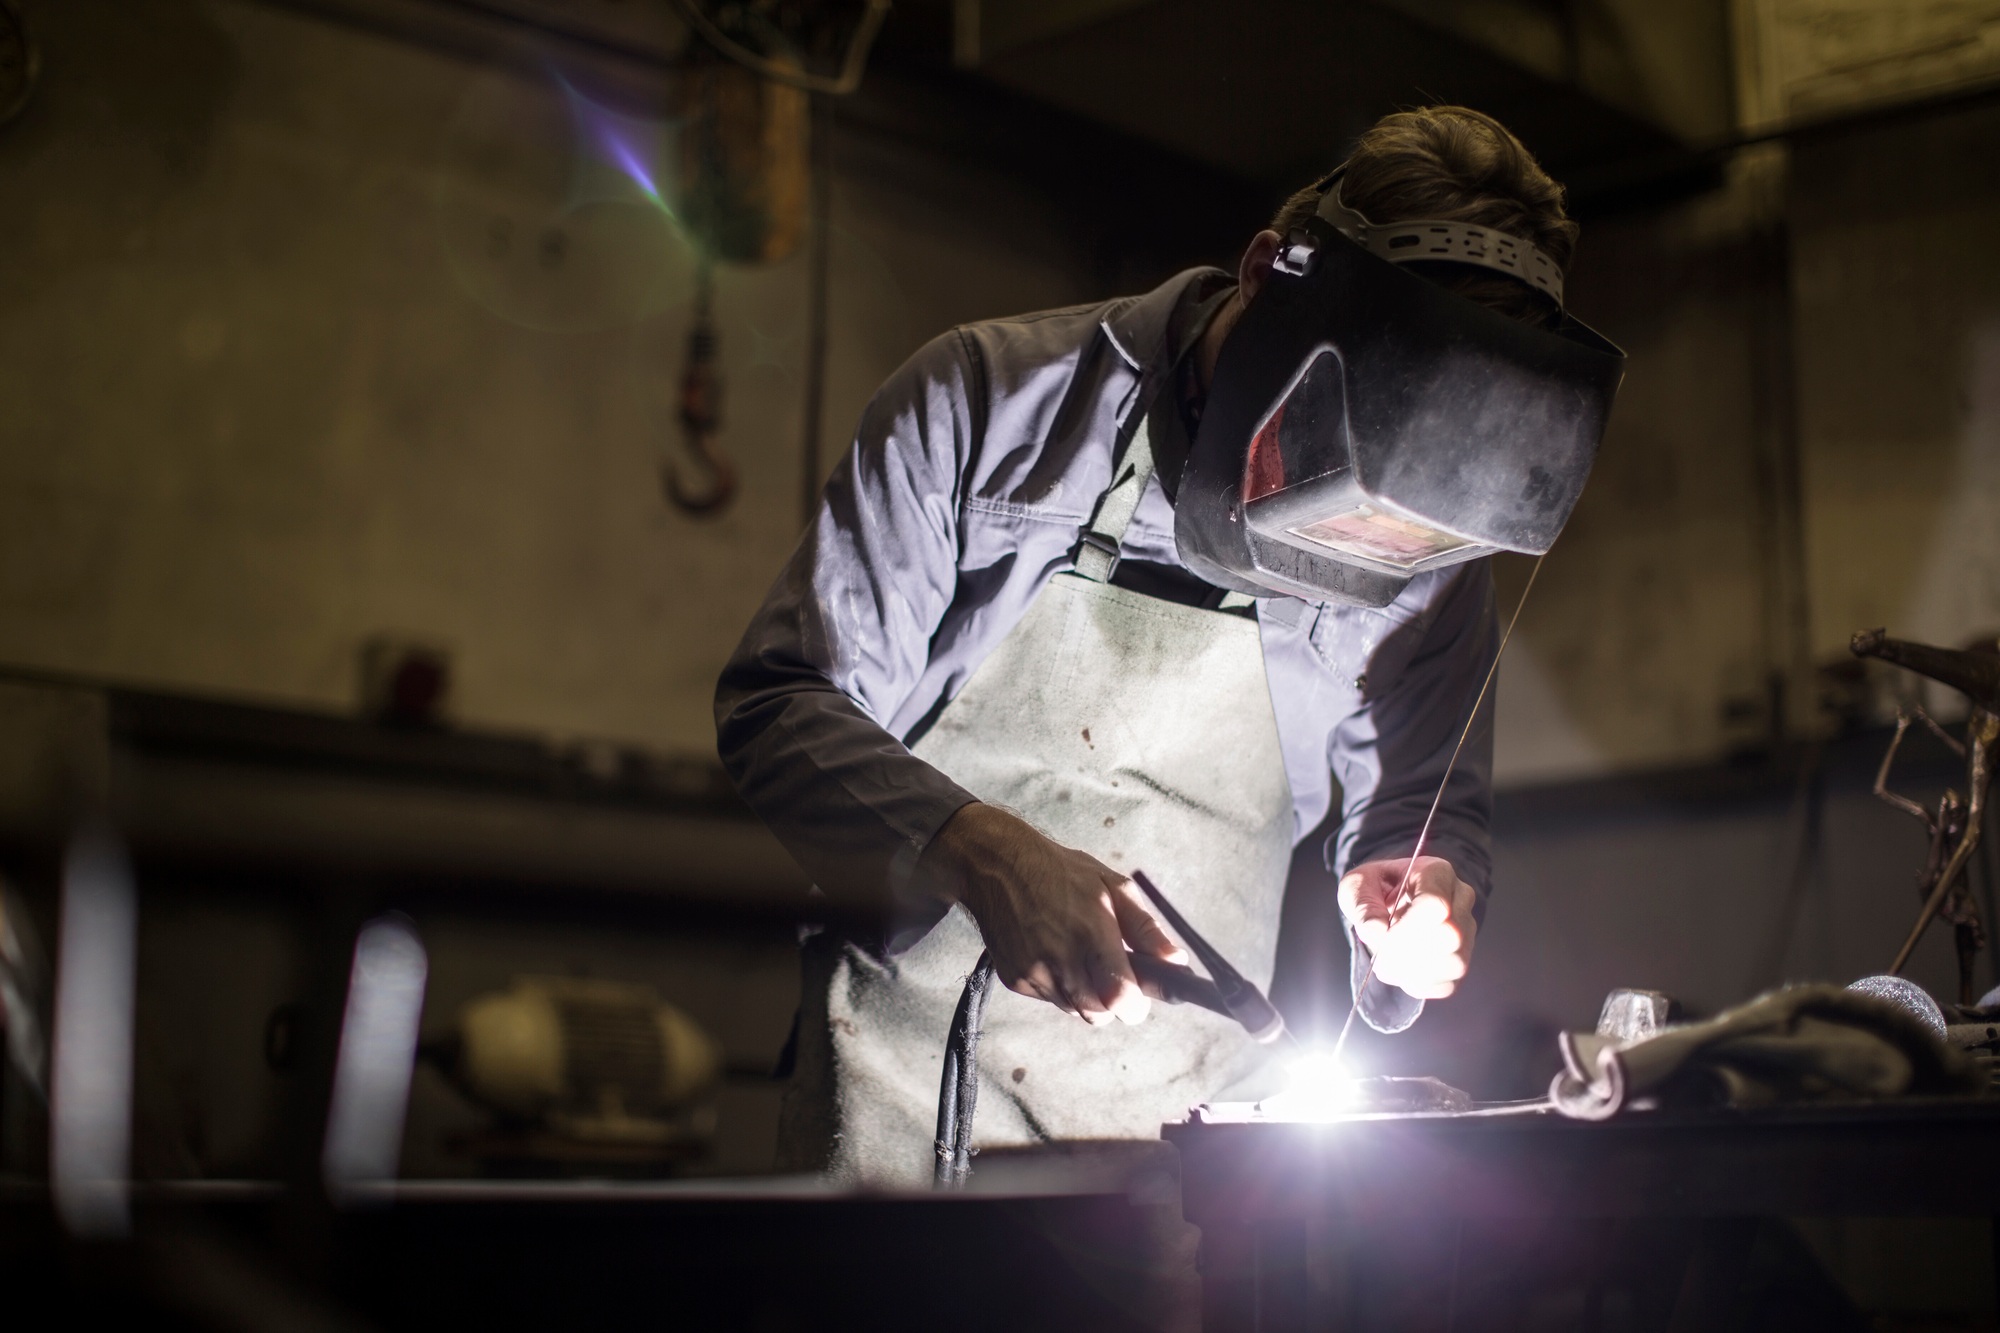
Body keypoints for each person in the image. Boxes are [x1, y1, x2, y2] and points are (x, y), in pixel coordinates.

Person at [717, 105, 1613, 1186]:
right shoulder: (983, 405)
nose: (1364, 535)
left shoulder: (1424, 539)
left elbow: (1419, 810)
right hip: (894, 1138)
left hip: (1188, 1175)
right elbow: (778, 705)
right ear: (1261, 278)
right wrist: (983, 851)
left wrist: (1415, 886)